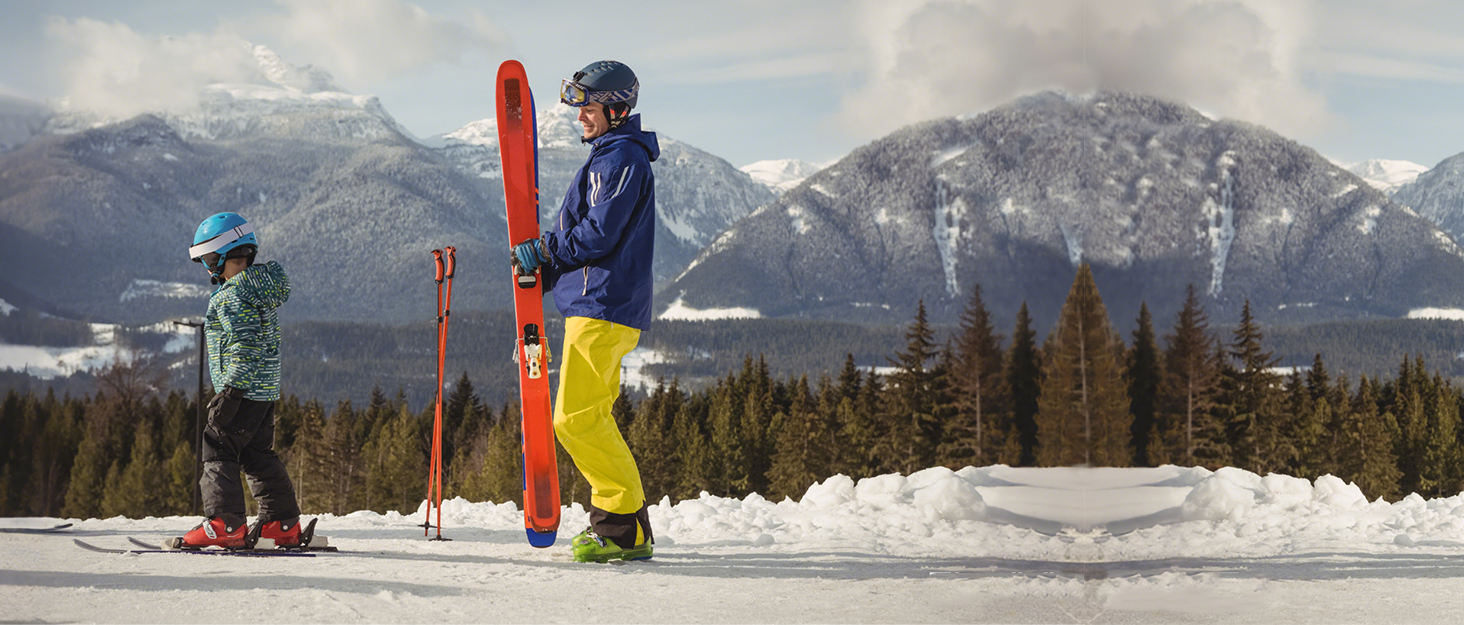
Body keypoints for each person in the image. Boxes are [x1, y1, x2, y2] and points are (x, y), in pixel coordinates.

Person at [512, 60, 658, 563]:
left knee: (575, 420)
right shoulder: (611, 156)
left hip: (604, 307)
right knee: (589, 416)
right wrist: (548, 258)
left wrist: (549, 254)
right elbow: (591, 229)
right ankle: (628, 528)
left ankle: (621, 528)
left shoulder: (620, 161)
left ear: (615, 110)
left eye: (587, 107)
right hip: (599, 305)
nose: (580, 117)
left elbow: (600, 233)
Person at [181, 212, 304, 548]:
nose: (207, 268)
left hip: (243, 390)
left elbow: (246, 344)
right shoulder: (257, 288)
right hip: (263, 391)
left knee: (218, 445)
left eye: (208, 259)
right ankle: (281, 523)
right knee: (256, 453)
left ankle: (225, 523)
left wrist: (231, 390)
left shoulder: (232, 295)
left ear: (222, 256)